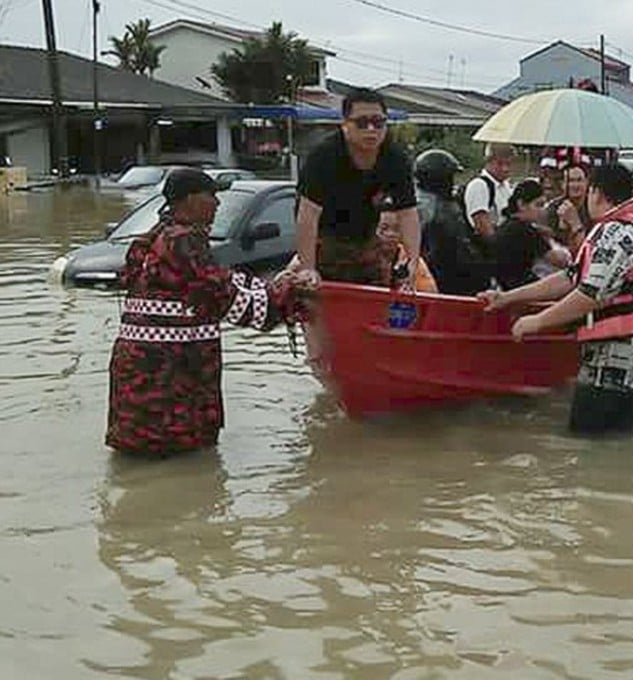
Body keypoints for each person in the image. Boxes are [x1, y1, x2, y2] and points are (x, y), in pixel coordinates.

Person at [106, 169, 316, 456]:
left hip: (137, 376)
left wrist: (274, 286)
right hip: (168, 381)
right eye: (212, 196)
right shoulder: (183, 241)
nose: (217, 204)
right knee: (180, 465)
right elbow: (221, 296)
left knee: (143, 460)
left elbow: (218, 281)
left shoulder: (149, 240)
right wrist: (288, 298)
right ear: (190, 200)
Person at [480, 164, 633, 434]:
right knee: (628, 444)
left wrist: (537, 322)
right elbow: (571, 278)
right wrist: (507, 298)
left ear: (595, 193)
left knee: (587, 446)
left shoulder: (616, 232)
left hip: (621, 362)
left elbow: (591, 294)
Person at [295, 87, 421, 286]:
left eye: (378, 122)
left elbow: (407, 212)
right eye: (362, 123)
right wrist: (307, 267)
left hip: (367, 241)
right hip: (325, 242)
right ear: (345, 124)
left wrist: (413, 260)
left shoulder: (395, 158)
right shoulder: (323, 157)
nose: (371, 129)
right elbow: (307, 215)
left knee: (376, 302)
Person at [413, 148, 493, 295]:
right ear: (441, 179)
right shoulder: (442, 211)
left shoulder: (414, 202)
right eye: (450, 177)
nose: (453, 183)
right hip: (448, 283)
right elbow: (456, 253)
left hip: (426, 276)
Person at [493, 179, 571, 290]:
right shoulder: (525, 230)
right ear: (521, 204)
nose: (543, 211)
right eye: (538, 205)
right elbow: (561, 261)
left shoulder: (507, 225)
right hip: (519, 288)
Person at [462, 143, 514, 240]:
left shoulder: (506, 187)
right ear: (488, 162)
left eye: (508, 164)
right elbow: (481, 224)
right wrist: (499, 247)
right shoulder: (479, 186)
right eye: (500, 163)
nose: (505, 169)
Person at [545, 163, 593, 253]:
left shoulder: (594, 206)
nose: (575, 185)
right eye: (571, 181)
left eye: (579, 180)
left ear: (587, 182)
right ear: (562, 184)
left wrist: (575, 222)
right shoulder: (552, 208)